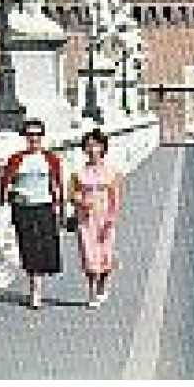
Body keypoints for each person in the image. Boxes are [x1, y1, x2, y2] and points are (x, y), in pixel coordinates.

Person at [0, 118, 65, 308]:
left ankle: (37, 284)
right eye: (30, 135)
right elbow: (6, 182)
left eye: (37, 135)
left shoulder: (50, 158)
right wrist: (7, 199)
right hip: (23, 207)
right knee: (28, 246)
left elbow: (57, 184)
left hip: (44, 206)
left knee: (45, 246)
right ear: (25, 137)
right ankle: (35, 290)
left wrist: (61, 209)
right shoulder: (16, 158)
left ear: (42, 137)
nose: (33, 138)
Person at [68, 128, 124, 308]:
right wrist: (80, 201)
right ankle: (92, 292)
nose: (93, 149)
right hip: (86, 219)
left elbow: (115, 197)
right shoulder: (78, 174)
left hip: (104, 217)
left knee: (105, 255)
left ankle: (102, 285)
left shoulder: (112, 173)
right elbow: (71, 194)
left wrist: (111, 219)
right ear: (84, 149)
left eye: (96, 145)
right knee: (88, 255)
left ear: (102, 148)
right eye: (89, 146)